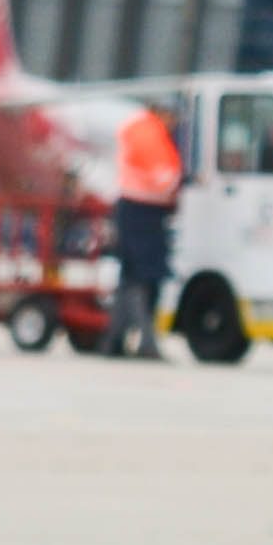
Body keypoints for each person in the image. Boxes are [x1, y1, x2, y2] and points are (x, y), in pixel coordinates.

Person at [105, 100, 182, 359]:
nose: (174, 123)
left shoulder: (141, 129)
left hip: (137, 210)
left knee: (131, 277)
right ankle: (145, 342)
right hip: (142, 211)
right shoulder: (147, 132)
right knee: (143, 276)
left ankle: (115, 341)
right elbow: (164, 178)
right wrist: (180, 183)